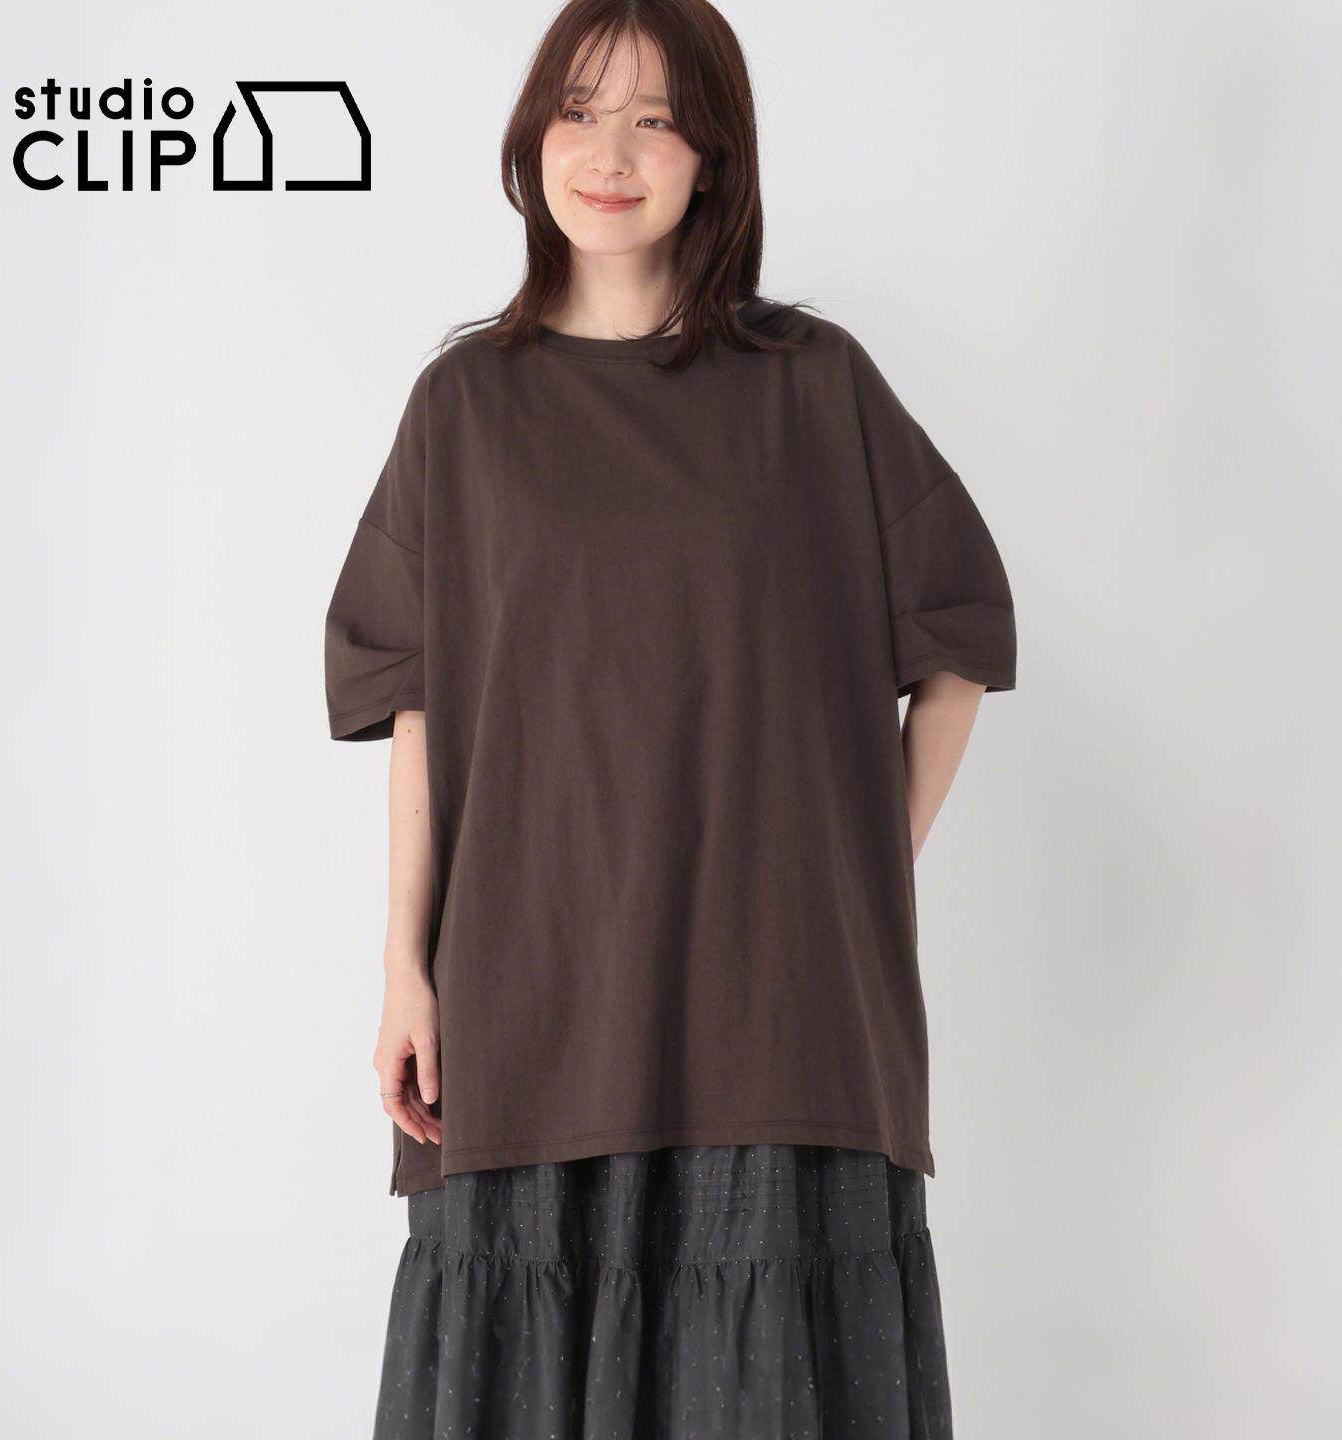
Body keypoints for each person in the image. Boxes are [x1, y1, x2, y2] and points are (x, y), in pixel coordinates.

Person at [323, 2, 1016, 1435]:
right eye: (581, 112)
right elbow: (418, 704)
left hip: (777, 1013)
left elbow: (959, 633)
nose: (612, 154)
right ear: (533, 140)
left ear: (715, 155)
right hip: (530, 991)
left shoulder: (812, 384)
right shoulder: (466, 406)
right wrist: (404, 968)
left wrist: (856, 872)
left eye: (656, 119)